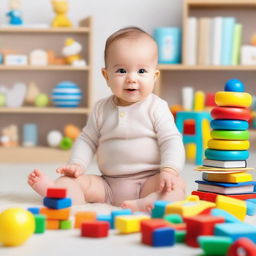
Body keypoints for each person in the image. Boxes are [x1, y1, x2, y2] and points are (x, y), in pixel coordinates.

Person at [28, 27, 186, 212]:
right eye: (121, 70)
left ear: (155, 76)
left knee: (176, 186)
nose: (131, 79)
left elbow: (171, 141)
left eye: (142, 70)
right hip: (108, 185)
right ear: (106, 76)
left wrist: (169, 171)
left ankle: (148, 203)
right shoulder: (101, 109)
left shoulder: (157, 107)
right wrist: (77, 164)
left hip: (149, 181)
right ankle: (60, 194)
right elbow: (87, 140)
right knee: (72, 181)